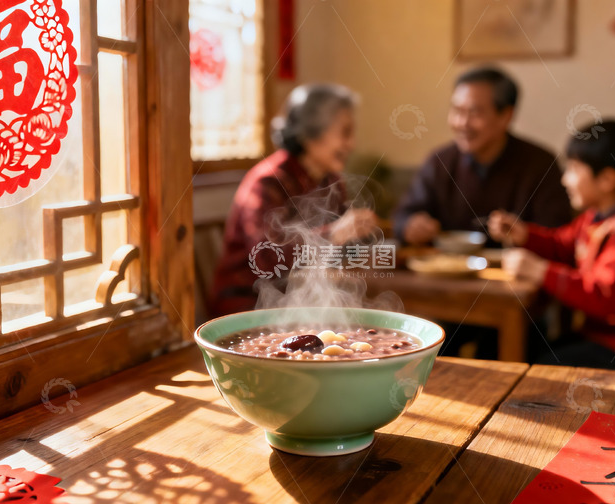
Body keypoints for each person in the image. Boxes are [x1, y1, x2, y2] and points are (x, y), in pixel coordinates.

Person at [489, 120, 615, 372]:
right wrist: (524, 234)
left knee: (542, 367)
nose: (565, 180)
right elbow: (561, 245)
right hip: (606, 339)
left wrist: (540, 271)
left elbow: (602, 297)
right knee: (526, 348)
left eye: (573, 169)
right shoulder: (594, 217)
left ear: (606, 179)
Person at [210, 84, 376, 317]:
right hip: (249, 305)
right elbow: (267, 258)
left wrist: (359, 233)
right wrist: (335, 233)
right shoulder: (267, 181)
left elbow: (341, 251)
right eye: (345, 133)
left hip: (304, 301)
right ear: (311, 132)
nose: (352, 144)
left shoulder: (330, 180)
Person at [394, 66, 572, 246]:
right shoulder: (439, 161)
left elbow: (558, 236)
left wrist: (523, 235)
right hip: (448, 269)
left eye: (474, 112)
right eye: (457, 111)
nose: (462, 123)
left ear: (506, 116)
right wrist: (410, 226)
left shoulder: (540, 164)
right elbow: (403, 216)